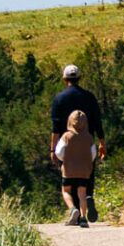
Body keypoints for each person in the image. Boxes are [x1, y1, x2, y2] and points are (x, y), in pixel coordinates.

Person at [50, 64, 106, 221]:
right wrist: (101, 142)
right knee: (86, 174)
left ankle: (74, 211)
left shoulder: (59, 99)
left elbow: (55, 127)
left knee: (68, 178)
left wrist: (53, 150)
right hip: (87, 141)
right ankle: (88, 197)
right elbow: (97, 121)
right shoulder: (89, 97)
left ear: (64, 79)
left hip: (66, 144)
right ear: (79, 78)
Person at [56, 110, 97, 227]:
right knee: (82, 194)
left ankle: (73, 209)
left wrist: (66, 159)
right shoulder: (89, 138)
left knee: (66, 191)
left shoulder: (67, 136)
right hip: (84, 170)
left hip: (68, 169)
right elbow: (93, 154)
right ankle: (83, 218)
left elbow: (59, 152)